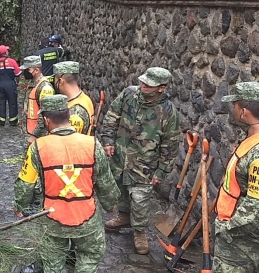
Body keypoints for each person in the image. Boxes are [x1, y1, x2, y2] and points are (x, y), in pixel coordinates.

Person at [13, 95, 119, 273]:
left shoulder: (38, 147)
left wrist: (20, 205)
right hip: (87, 218)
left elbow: (25, 183)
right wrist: (110, 204)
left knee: (52, 261)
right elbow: (104, 180)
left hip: (53, 218)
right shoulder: (92, 144)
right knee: (89, 255)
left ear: (46, 119)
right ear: (68, 115)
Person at [99, 67, 180, 255]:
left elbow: (171, 142)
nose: (143, 85)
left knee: (140, 198)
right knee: (121, 190)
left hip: (145, 163)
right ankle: (124, 216)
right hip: (120, 156)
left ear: (161, 88)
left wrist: (162, 171)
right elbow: (112, 116)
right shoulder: (129, 94)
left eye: (149, 85)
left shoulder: (168, 111)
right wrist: (108, 141)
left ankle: (139, 231)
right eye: (143, 81)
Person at [213, 82, 259, 271]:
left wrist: (228, 229)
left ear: (244, 112)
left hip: (242, 242)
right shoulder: (251, 139)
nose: (233, 109)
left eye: (235, 105)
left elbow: (255, 206)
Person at [19, 56, 54, 148]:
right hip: (30, 131)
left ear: (36, 70)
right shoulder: (32, 84)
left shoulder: (45, 88)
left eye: (28, 69)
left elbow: (45, 114)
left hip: (39, 136)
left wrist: (34, 135)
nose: (25, 72)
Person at [53, 61, 95, 135]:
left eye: (55, 79)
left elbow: (68, 143)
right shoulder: (85, 98)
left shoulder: (75, 112)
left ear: (60, 81)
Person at [0, 45, 21, 126]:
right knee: (13, 102)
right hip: (10, 84)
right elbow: (18, 74)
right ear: (6, 52)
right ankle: (13, 121)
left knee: (0, 102)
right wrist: (17, 83)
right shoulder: (12, 62)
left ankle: (1, 121)